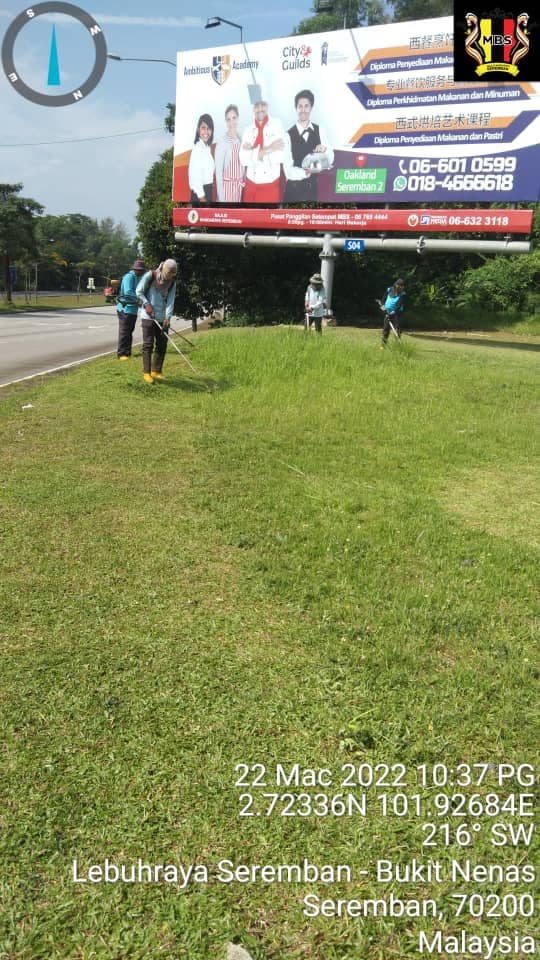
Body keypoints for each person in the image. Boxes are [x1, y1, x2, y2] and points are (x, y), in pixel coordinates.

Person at [283, 89, 334, 203]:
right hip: (293, 193)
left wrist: (324, 151)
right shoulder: (287, 135)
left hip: (312, 192)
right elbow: (288, 171)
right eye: (300, 106)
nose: (303, 110)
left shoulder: (320, 130)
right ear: (296, 108)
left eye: (306, 106)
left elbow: (330, 157)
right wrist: (306, 172)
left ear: (311, 108)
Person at [136, 259, 177, 384]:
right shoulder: (151, 275)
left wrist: (168, 318)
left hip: (162, 317)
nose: (170, 276)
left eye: (173, 274)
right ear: (164, 269)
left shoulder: (171, 282)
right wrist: (147, 304)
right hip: (148, 316)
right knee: (148, 344)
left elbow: (170, 301)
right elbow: (139, 291)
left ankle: (156, 371)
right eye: (169, 273)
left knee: (162, 344)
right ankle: (147, 373)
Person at [238, 100, 285, 203]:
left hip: (269, 187)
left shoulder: (277, 124)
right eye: (256, 106)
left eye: (263, 105)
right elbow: (243, 159)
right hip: (250, 186)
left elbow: (280, 156)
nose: (260, 109)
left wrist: (253, 152)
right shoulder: (247, 129)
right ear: (253, 109)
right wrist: (269, 149)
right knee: (249, 218)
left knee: (267, 219)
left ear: (267, 106)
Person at [214, 104, 245, 202]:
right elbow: (218, 174)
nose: (231, 122)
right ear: (226, 122)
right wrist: (222, 200)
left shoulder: (242, 140)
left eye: (234, 118)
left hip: (239, 189)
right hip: (227, 190)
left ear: (238, 118)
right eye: (228, 119)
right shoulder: (222, 143)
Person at [116, 258, 146, 359]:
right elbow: (128, 292)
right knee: (124, 331)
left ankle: (127, 352)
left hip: (133, 309)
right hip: (125, 309)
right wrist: (138, 300)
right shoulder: (129, 277)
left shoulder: (137, 278)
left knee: (129, 331)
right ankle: (122, 353)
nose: (142, 272)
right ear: (136, 269)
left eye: (142, 270)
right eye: (140, 270)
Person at [188, 114, 215, 205]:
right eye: (203, 128)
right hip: (200, 196)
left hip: (207, 192)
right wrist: (203, 199)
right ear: (198, 129)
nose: (206, 131)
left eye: (209, 128)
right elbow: (196, 178)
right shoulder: (198, 149)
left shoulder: (207, 148)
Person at [379, 278, 406, 345]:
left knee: (397, 330)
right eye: (399, 285)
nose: (400, 287)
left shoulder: (403, 294)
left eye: (402, 286)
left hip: (397, 314)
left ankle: (397, 345)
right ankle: (383, 345)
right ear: (395, 285)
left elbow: (398, 305)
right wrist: (383, 307)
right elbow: (382, 300)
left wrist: (393, 312)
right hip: (387, 312)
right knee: (386, 329)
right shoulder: (389, 290)